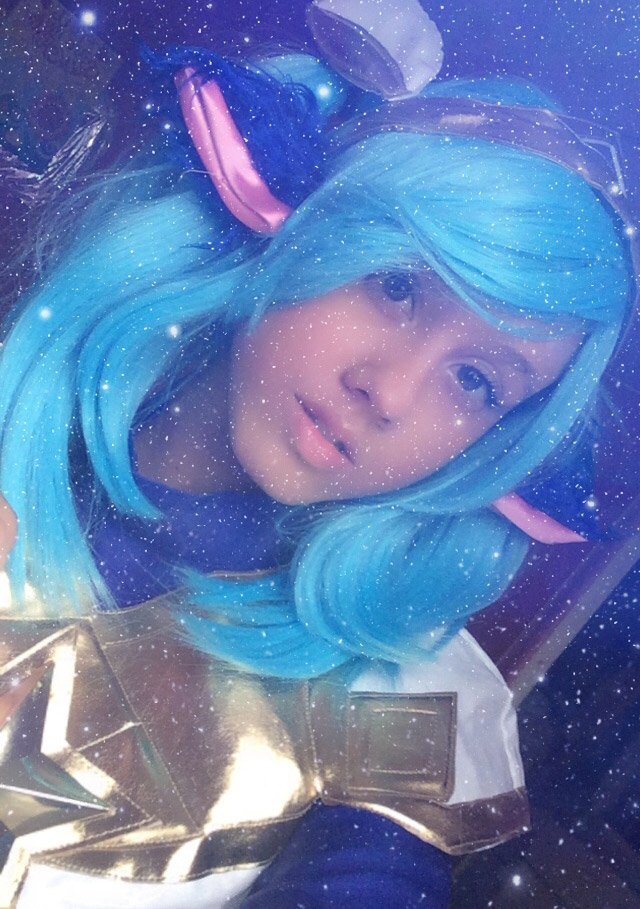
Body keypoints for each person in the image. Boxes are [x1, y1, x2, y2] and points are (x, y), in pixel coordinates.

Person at [0, 1, 636, 906]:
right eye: (397, 286)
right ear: (301, 221)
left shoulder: (401, 695)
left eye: (476, 381)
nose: (392, 391)